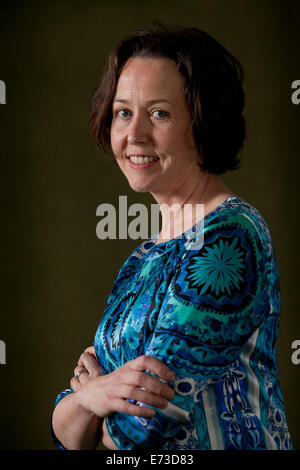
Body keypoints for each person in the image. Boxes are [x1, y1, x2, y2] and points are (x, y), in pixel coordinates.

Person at [51, 24, 293, 450]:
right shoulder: (143, 258)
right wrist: (89, 399)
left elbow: (140, 429)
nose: (134, 135)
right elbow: (63, 429)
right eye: (123, 112)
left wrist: (90, 401)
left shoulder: (230, 237)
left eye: (159, 113)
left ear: (203, 124)